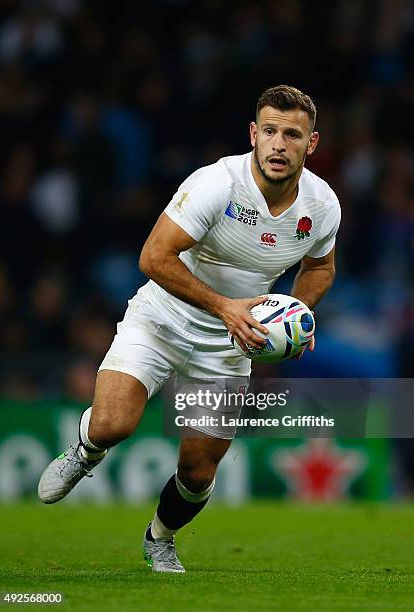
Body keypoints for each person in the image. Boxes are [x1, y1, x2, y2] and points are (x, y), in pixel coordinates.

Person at [38, 85, 340, 573]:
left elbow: (321, 268)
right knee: (113, 425)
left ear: (312, 143)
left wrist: (294, 316)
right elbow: (153, 257)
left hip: (229, 344)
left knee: (198, 472)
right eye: (269, 132)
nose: (279, 144)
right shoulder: (216, 184)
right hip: (161, 320)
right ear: (253, 135)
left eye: (291, 134)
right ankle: (85, 450)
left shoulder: (322, 205)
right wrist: (225, 307)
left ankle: (161, 538)